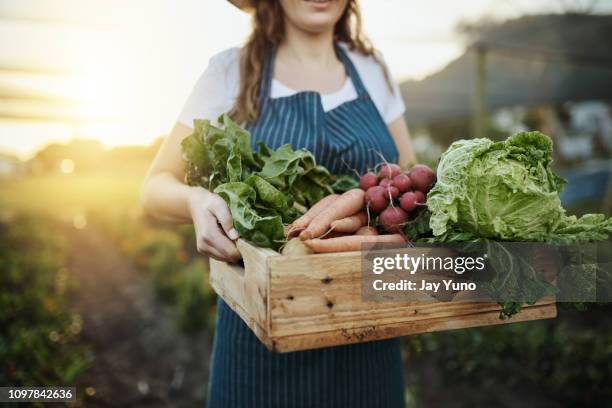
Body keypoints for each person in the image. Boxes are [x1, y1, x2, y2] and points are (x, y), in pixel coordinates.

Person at [141, 0, 416, 406]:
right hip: (259, 340)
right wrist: (196, 201)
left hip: (369, 336)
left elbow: (408, 178)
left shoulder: (372, 69)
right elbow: (153, 188)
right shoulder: (228, 72)